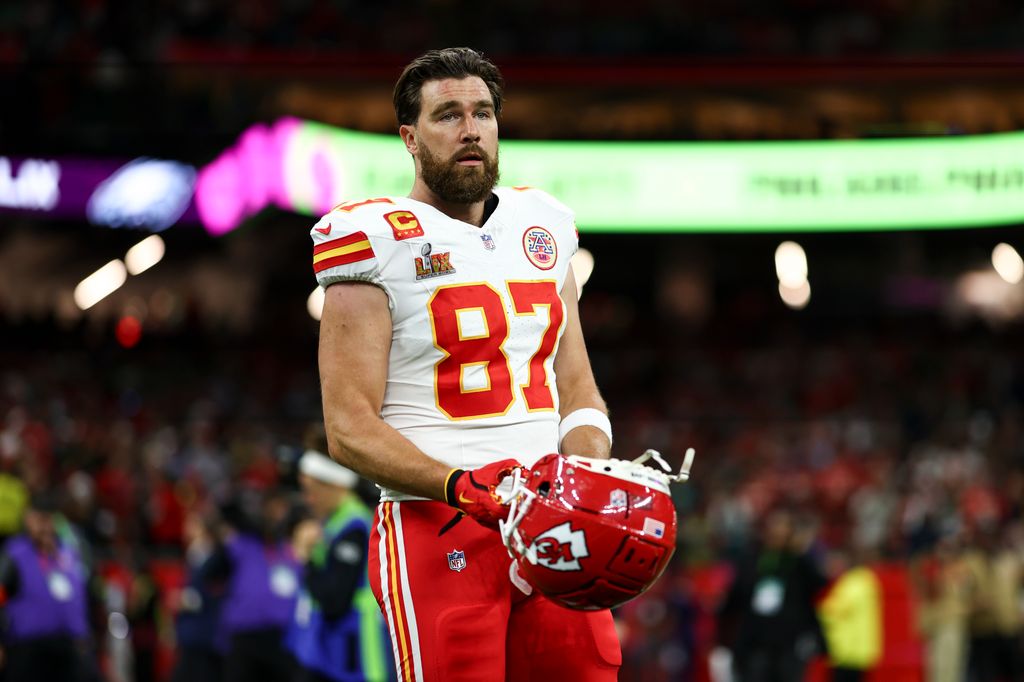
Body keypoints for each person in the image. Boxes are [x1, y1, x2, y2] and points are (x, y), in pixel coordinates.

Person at [313, 47, 619, 680]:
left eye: (482, 113)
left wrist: (583, 476)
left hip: (547, 523)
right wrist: (461, 484)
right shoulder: (375, 239)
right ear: (409, 137)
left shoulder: (544, 226)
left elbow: (578, 387)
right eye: (447, 115)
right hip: (436, 525)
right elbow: (348, 428)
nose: (470, 129)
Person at [287, 446, 390, 682]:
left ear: (334, 486)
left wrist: (307, 558)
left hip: (352, 652)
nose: (307, 499)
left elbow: (333, 600)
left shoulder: (353, 527)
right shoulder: (335, 522)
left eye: (311, 491)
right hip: (337, 648)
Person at [201, 488, 302, 682]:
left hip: (284, 638)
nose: (275, 517)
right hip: (244, 636)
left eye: (280, 510)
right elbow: (209, 574)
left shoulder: (293, 550)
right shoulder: (242, 544)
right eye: (270, 510)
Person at [715, 509, 827, 682]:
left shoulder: (798, 563)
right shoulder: (752, 560)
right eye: (774, 529)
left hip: (788, 643)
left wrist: (801, 550)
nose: (777, 534)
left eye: (783, 530)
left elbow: (819, 585)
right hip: (755, 642)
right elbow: (735, 598)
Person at [0, 494, 91, 682]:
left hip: (68, 648)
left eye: (48, 519)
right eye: (38, 519)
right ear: (27, 519)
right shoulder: (14, 554)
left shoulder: (68, 552)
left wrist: (83, 633)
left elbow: (81, 596)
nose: (44, 525)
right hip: (27, 648)